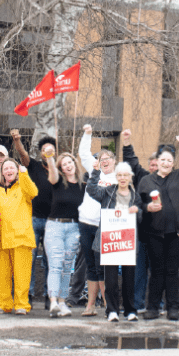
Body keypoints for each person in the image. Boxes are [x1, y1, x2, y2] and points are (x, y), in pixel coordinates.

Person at [136, 133, 179, 321]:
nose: (165, 163)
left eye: (169, 160)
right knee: (156, 271)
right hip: (154, 233)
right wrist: (148, 207)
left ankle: (173, 308)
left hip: (178, 233)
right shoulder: (146, 181)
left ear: (173, 163)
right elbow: (138, 204)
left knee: (172, 270)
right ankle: (153, 308)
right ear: (157, 161)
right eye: (162, 160)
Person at [87, 162, 143, 322]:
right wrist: (96, 171)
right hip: (110, 240)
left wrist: (137, 211)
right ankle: (112, 310)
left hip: (128, 242)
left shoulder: (135, 196)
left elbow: (140, 219)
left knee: (129, 278)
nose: (123, 178)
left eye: (126, 175)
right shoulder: (107, 192)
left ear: (130, 177)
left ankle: (130, 310)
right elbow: (91, 190)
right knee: (110, 278)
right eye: (120, 175)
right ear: (116, 177)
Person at [73, 124, 115, 317]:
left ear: (114, 161)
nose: (103, 161)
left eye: (107, 159)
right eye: (100, 158)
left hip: (105, 226)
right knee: (90, 265)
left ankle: (109, 305)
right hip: (86, 223)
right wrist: (88, 133)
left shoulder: (117, 178)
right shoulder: (93, 169)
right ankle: (90, 306)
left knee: (103, 267)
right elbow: (83, 152)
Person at [12, 130, 55, 310]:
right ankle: (26, 294)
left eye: (50, 149)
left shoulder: (58, 169)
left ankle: (48, 295)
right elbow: (23, 155)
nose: (47, 152)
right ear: (41, 152)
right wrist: (17, 141)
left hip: (53, 222)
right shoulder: (34, 166)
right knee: (27, 260)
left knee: (49, 261)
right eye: (44, 149)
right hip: (33, 219)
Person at [0, 158, 38, 314]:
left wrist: (24, 174)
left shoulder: (23, 186)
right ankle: (3, 303)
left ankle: (21, 305)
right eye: (5, 168)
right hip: (2, 238)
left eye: (11, 167)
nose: (8, 171)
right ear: (2, 172)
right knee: (3, 274)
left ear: (17, 170)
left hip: (21, 237)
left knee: (22, 275)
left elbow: (33, 192)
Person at [120, 129, 158, 314]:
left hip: (161, 234)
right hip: (142, 232)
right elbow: (132, 162)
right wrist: (126, 143)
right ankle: (138, 303)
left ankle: (156, 304)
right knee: (139, 271)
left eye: (156, 164)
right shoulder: (143, 177)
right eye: (151, 164)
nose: (153, 167)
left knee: (157, 271)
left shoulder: (172, 181)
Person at [45, 151, 85, 318]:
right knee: (55, 264)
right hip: (55, 226)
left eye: (70, 162)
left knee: (67, 267)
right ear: (61, 168)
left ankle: (62, 302)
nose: (68, 166)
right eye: (64, 164)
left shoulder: (83, 185)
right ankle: (53, 301)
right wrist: (50, 158)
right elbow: (52, 172)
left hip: (74, 228)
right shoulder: (57, 181)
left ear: (75, 163)